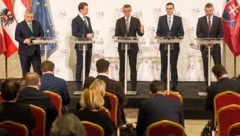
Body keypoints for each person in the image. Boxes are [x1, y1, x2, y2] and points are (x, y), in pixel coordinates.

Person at [84, 58, 128, 126]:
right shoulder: (116, 84)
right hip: (112, 118)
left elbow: (84, 98)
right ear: (108, 69)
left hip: (89, 117)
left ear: (97, 69)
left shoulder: (88, 82)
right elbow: (124, 102)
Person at [115, 4, 144, 91]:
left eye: (128, 11)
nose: (127, 12)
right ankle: (121, 87)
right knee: (122, 67)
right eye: (125, 11)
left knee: (133, 67)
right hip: (122, 47)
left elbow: (140, 34)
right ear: (123, 11)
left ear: (131, 11)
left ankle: (134, 87)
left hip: (133, 47)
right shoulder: (119, 21)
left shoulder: (136, 20)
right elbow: (117, 34)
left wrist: (142, 30)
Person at [156, 2, 184, 91]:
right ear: (166, 9)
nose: (169, 10)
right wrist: (160, 37)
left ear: (173, 9)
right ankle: (163, 85)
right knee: (164, 66)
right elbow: (158, 32)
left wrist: (178, 37)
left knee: (173, 66)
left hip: (174, 47)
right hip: (163, 46)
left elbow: (181, 32)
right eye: (167, 8)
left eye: (170, 8)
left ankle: (174, 85)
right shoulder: (161, 19)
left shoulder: (178, 19)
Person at [205, 64, 240, 128]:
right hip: (237, 123)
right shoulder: (238, 85)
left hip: (219, 124)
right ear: (226, 72)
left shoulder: (212, 88)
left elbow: (207, 107)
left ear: (215, 75)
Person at [196, 3, 223, 87]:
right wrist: (205, 43)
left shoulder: (218, 20)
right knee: (206, 67)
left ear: (213, 10)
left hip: (215, 47)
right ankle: (208, 85)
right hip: (204, 47)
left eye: (210, 10)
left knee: (218, 66)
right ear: (205, 10)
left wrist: (213, 43)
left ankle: (220, 85)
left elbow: (221, 32)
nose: (208, 12)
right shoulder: (200, 20)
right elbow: (198, 33)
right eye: (207, 11)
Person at [15, 9, 44, 77]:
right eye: (28, 17)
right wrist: (23, 40)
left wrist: (39, 38)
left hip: (35, 51)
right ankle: (27, 86)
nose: (30, 18)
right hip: (24, 52)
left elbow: (42, 34)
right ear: (24, 16)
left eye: (31, 17)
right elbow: (17, 37)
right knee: (26, 72)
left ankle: (38, 86)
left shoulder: (37, 23)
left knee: (38, 71)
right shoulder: (20, 25)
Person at [72, 2, 94, 90]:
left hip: (88, 45)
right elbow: (74, 32)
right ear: (81, 9)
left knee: (87, 65)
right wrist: (85, 35)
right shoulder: (75, 20)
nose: (87, 10)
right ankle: (78, 84)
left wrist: (92, 34)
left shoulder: (88, 18)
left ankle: (86, 83)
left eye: (87, 9)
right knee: (80, 65)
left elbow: (90, 29)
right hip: (81, 46)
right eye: (86, 9)